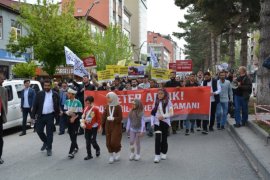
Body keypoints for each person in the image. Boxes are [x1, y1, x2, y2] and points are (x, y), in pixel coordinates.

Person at [31, 79, 60, 156]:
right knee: (39, 130)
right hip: (41, 116)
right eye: (45, 86)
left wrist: (58, 113)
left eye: (48, 86)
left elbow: (58, 104)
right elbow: (35, 105)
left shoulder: (55, 94)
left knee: (49, 133)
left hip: (50, 116)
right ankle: (46, 141)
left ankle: (49, 148)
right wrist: (32, 117)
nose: (46, 87)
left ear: (51, 86)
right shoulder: (39, 94)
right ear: (43, 86)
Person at [151, 89, 173, 163]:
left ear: (165, 94)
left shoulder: (168, 102)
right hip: (157, 123)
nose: (159, 95)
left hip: (165, 122)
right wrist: (152, 123)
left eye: (161, 93)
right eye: (158, 94)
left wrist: (164, 116)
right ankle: (157, 155)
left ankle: (164, 152)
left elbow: (171, 113)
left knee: (164, 138)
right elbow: (152, 113)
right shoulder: (155, 102)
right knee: (157, 138)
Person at [102, 92, 123, 164]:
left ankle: (117, 152)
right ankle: (111, 155)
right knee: (108, 142)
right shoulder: (107, 106)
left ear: (113, 98)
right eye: (107, 97)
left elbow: (120, 118)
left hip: (116, 126)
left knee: (114, 141)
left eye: (109, 97)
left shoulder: (118, 107)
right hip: (108, 126)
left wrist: (114, 118)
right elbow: (104, 116)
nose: (107, 99)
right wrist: (101, 126)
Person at [63, 88, 83, 159]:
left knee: (74, 136)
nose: (67, 94)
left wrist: (74, 118)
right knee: (71, 136)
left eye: (68, 93)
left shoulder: (78, 102)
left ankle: (71, 152)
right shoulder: (66, 101)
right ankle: (76, 146)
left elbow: (80, 113)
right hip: (69, 120)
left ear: (73, 94)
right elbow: (64, 110)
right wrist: (68, 113)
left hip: (76, 121)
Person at [80, 96, 101, 160]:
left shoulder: (96, 109)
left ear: (92, 102)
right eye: (86, 103)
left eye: (88, 103)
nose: (87, 104)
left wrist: (99, 127)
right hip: (87, 127)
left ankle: (97, 149)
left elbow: (99, 119)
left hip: (93, 127)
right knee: (87, 142)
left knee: (93, 141)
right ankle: (89, 155)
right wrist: (82, 123)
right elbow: (83, 118)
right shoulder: (85, 108)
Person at [0, 73, 8, 164]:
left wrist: (4, 115)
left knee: (0, 139)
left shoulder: (4, 90)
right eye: (2, 79)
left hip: (0, 118)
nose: (3, 81)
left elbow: (5, 104)